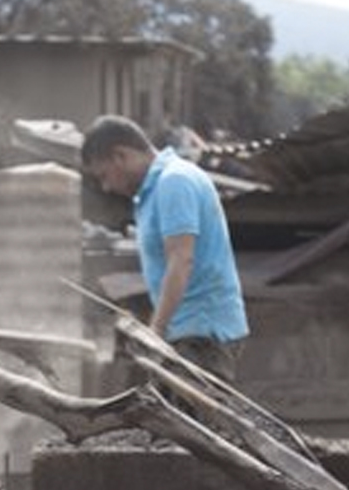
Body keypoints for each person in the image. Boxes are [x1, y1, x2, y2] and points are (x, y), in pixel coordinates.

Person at [80, 115, 249, 381]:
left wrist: (154, 332)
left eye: (104, 175)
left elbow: (181, 260)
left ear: (120, 156)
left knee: (188, 421)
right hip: (187, 332)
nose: (106, 186)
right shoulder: (155, 189)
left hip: (201, 336)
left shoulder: (174, 182)